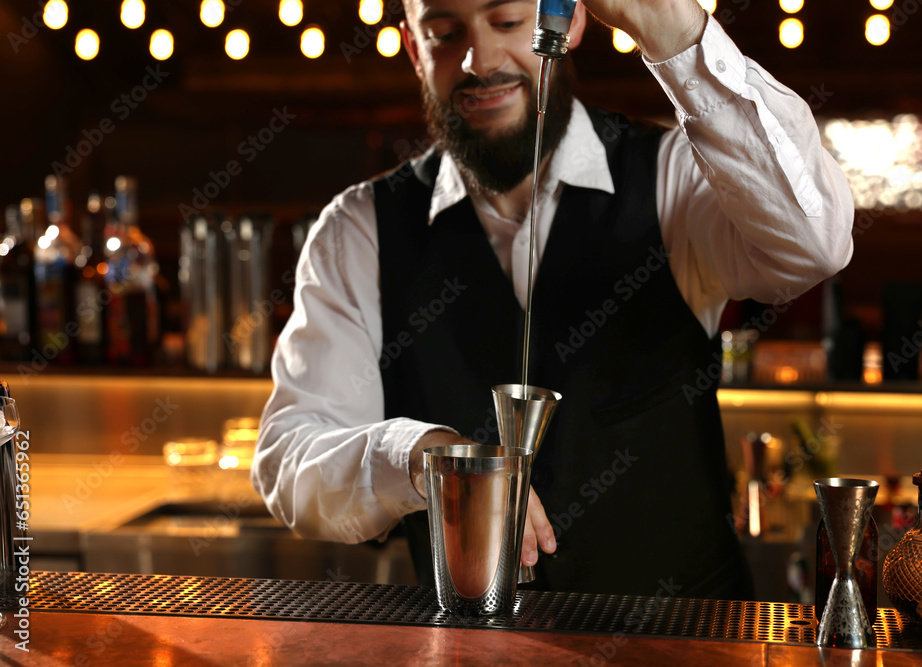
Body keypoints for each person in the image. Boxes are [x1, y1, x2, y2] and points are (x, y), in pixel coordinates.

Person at [251, 0, 855, 599]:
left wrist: (670, 26)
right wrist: (418, 457)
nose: (480, 60)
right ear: (413, 49)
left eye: (508, 23)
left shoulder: (672, 174)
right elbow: (289, 457)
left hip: (685, 644)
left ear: (567, 23)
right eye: (442, 33)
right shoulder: (362, 228)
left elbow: (815, 242)